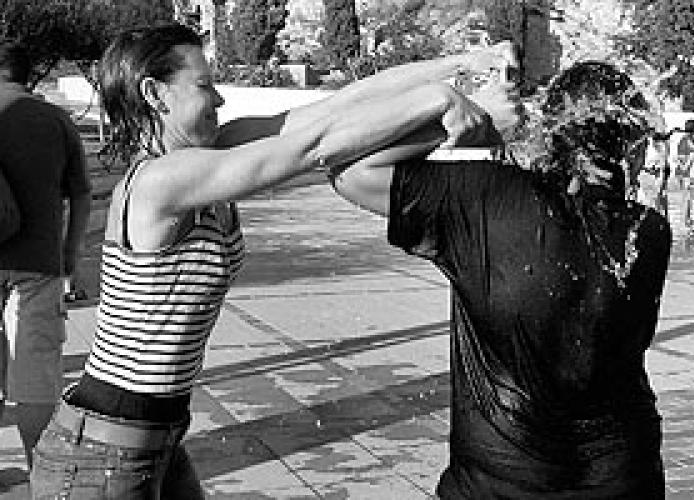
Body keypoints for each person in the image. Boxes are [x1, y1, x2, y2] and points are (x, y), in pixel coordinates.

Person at [29, 24, 519, 499]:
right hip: (100, 456)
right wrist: (444, 103)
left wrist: (465, 66)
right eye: (203, 85)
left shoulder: (216, 151)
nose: (219, 99)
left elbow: (338, 109)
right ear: (155, 94)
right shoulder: (160, 182)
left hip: (152, 442)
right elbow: (313, 149)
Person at [332, 61, 671, 498]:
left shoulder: (486, 197)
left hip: (498, 483)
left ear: (550, 129)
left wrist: (469, 126)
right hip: (626, 477)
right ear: (631, 143)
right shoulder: (648, 230)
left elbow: (350, 170)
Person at [0, 40, 92, 469]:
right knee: (35, 377)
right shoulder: (56, 121)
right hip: (39, 264)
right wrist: (69, 254)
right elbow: (81, 194)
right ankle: (41, 474)